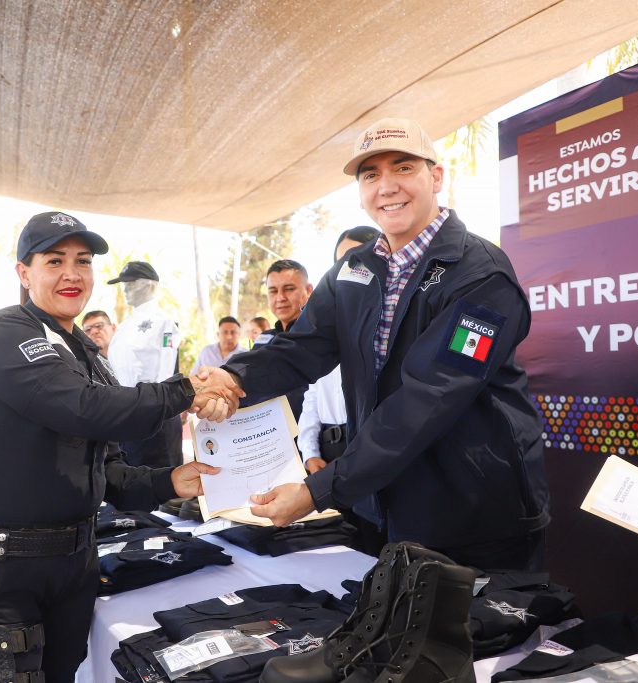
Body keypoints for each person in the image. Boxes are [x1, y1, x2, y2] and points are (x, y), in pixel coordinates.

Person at [212, 117, 549, 572]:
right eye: (370, 175)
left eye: (403, 168)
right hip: (382, 508)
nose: (386, 187)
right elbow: (302, 348)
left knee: (480, 642)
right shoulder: (354, 270)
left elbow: (428, 398)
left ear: (436, 176)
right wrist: (229, 378)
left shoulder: (481, 276)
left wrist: (318, 491)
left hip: (474, 516)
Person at [0, 211, 241, 683]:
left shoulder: (90, 355)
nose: (72, 274)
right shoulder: (8, 332)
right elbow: (81, 408)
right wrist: (185, 392)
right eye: (54, 261)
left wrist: (169, 480)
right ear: (23, 273)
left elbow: (107, 468)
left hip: (74, 562)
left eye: (83, 261)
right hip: (3, 571)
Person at [298, 226, 380, 475]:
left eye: (356, 258)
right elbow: (312, 396)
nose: (349, 268)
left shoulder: (389, 322)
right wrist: (310, 453)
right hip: (327, 452)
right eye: (341, 262)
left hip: (371, 451)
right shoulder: (328, 321)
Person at [107, 260, 184, 468]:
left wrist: (159, 408)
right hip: (127, 414)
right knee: (132, 481)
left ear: (149, 284)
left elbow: (166, 371)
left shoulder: (164, 323)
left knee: (163, 484)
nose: (125, 289)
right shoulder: (124, 326)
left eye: (131, 283)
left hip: (156, 414)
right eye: (124, 284)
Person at [253, 259, 314, 421]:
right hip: (266, 436)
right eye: (273, 291)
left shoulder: (318, 337)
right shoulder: (262, 339)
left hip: (310, 438)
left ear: (308, 291)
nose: (280, 298)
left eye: (289, 289)